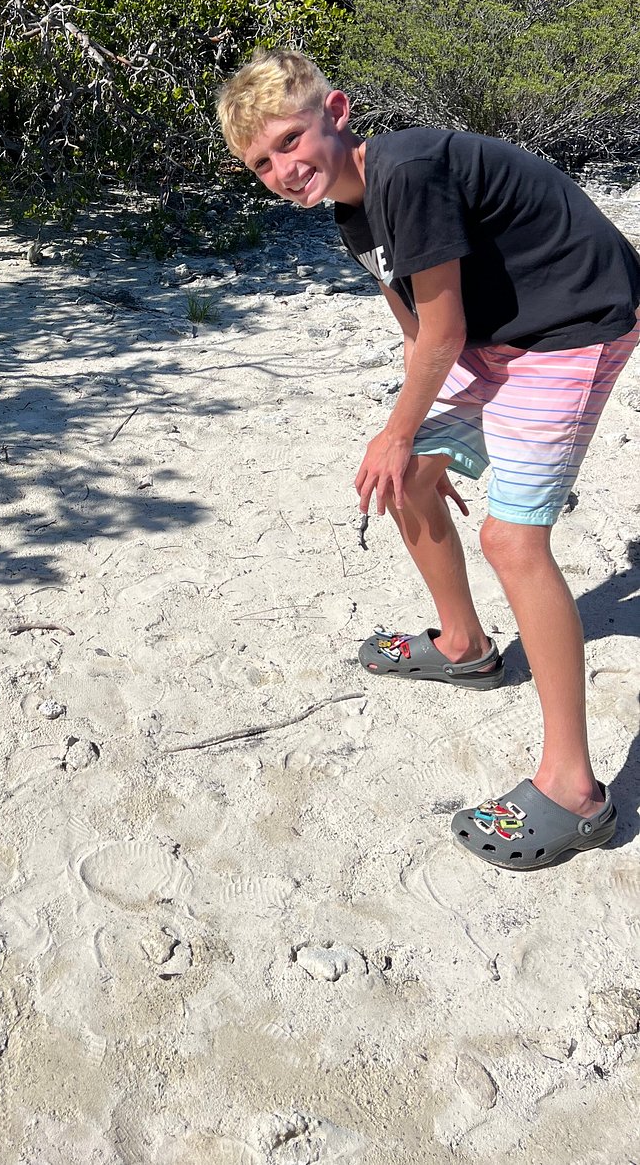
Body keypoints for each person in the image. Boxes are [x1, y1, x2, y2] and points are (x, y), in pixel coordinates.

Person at [216, 49, 640, 871]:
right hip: (495, 335)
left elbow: (442, 335)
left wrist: (403, 428)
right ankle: (464, 646)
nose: (282, 168)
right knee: (403, 475)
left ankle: (575, 792)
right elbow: (422, 335)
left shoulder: (404, 171)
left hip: (576, 320)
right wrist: (424, 439)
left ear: (335, 111)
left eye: (291, 140)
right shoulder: (351, 213)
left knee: (512, 540)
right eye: (261, 162)